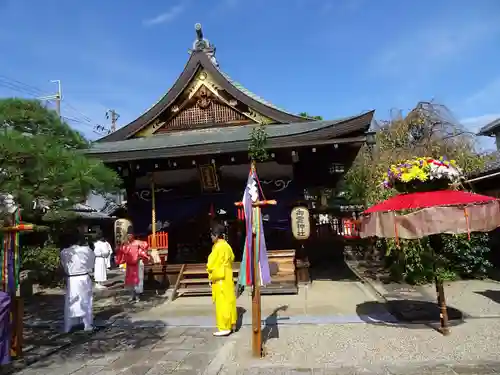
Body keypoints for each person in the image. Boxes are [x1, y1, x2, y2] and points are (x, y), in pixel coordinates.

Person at [60, 231, 96, 333]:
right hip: (83, 277)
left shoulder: (64, 252)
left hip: (71, 278)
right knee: (86, 300)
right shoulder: (85, 250)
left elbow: (64, 266)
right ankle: (87, 324)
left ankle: (69, 325)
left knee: (71, 301)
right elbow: (91, 262)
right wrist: (88, 268)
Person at [207, 223, 237, 337]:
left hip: (220, 277)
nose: (211, 237)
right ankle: (232, 324)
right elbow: (232, 258)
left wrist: (211, 275)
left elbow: (211, 264)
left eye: (212, 234)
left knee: (222, 303)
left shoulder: (218, 247)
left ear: (216, 235)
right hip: (227, 276)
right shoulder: (227, 246)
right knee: (229, 301)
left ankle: (224, 327)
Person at [115, 228, 150, 302]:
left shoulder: (139, 243)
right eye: (128, 235)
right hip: (129, 265)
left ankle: (137, 295)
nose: (129, 237)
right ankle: (132, 295)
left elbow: (145, 248)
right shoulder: (126, 244)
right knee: (130, 280)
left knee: (138, 280)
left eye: (130, 235)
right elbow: (121, 253)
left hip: (137, 264)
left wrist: (140, 256)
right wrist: (118, 249)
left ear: (133, 235)